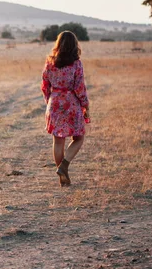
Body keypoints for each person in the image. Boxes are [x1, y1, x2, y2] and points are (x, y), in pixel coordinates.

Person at [41, 31, 90, 186]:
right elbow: (79, 87)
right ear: (74, 45)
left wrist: (49, 101)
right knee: (79, 137)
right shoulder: (76, 64)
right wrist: (85, 105)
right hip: (71, 103)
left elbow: (44, 85)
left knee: (58, 141)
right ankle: (64, 166)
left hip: (54, 102)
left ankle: (62, 174)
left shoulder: (50, 62)